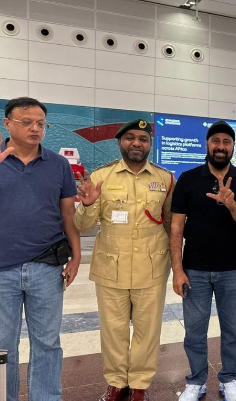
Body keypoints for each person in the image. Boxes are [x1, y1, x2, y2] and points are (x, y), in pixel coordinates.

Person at [73, 119, 174, 401]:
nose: (136, 143)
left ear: (150, 144)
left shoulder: (166, 179)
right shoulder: (101, 177)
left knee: (147, 330)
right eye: (130, 138)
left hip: (152, 267)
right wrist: (88, 204)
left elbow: (170, 224)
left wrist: (177, 264)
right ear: (119, 142)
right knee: (113, 330)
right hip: (111, 266)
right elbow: (83, 226)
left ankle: (139, 384)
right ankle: (117, 383)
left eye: (143, 138)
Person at [0, 97, 81, 401]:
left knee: (48, 344)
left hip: (46, 267)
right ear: (7, 123)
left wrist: (77, 255)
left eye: (41, 123)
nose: (35, 128)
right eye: (26, 122)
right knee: (0, 346)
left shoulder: (59, 165)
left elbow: (67, 215)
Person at [170, 121, 236, 401]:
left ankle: (229, 378)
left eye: (226, 142)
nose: (221, 146)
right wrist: (177, 270)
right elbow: (176, 227)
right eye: (216, 141)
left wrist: (230, 203)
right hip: (194, 269)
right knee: (194, 330)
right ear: (207, 144)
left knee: (231, 330)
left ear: (233, 147)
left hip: (232, 269)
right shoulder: (188, 179)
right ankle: (196, 381)